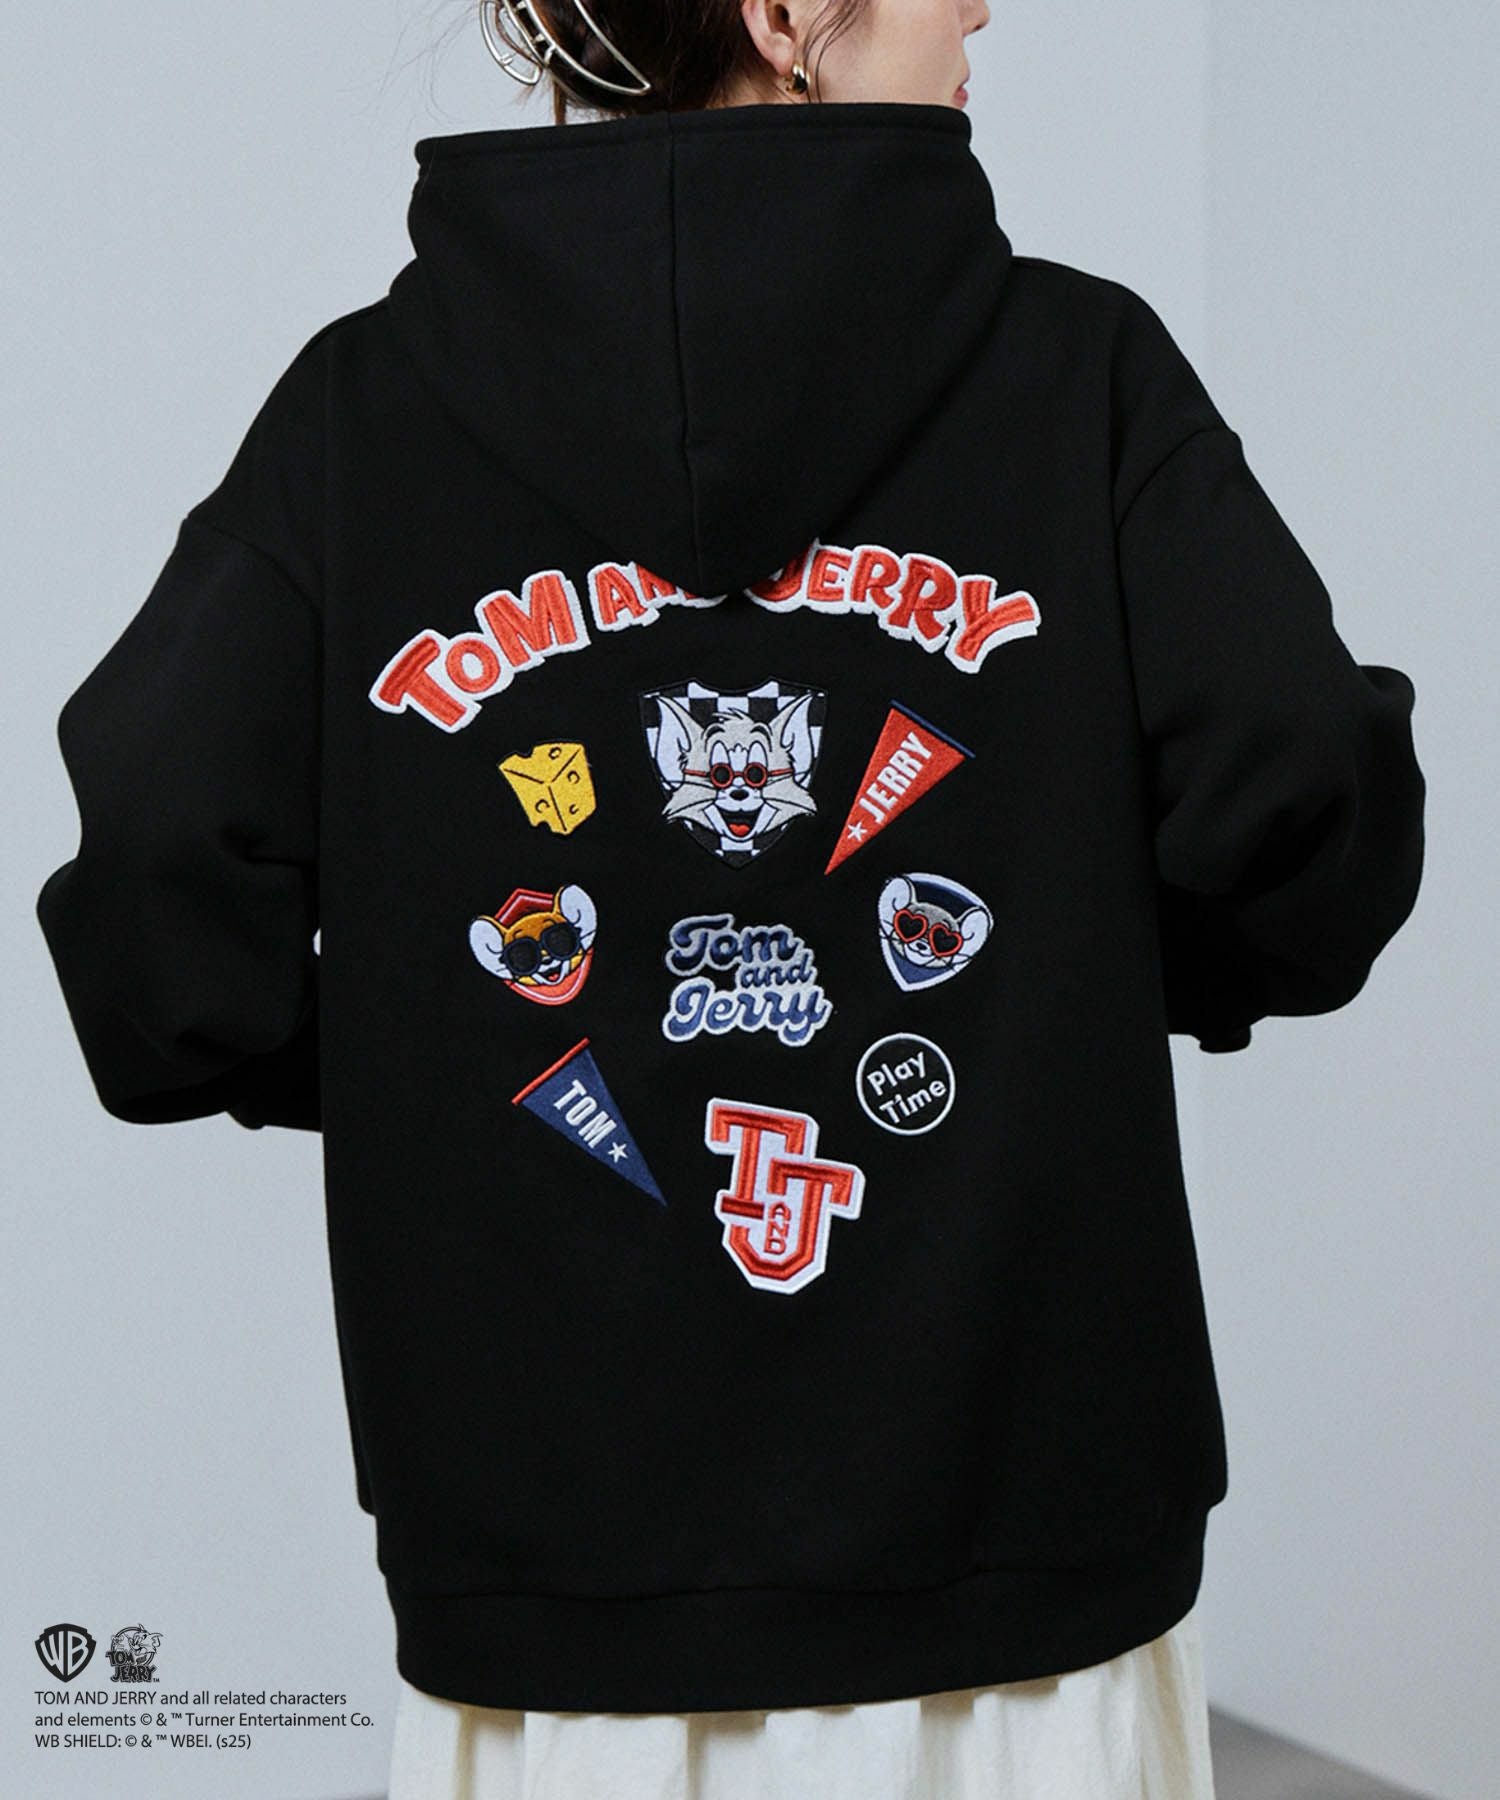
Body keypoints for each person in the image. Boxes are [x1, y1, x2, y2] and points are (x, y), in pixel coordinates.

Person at [33, 0, 1426, 1794]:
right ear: (782, 13)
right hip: (1027, 1575)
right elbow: (1308, 790)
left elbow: (157, 884)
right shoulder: (1080, 374)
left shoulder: (360, 413)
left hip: (549, 1599)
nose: (981, 4)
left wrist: (403, 1050)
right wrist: (1090, 971)